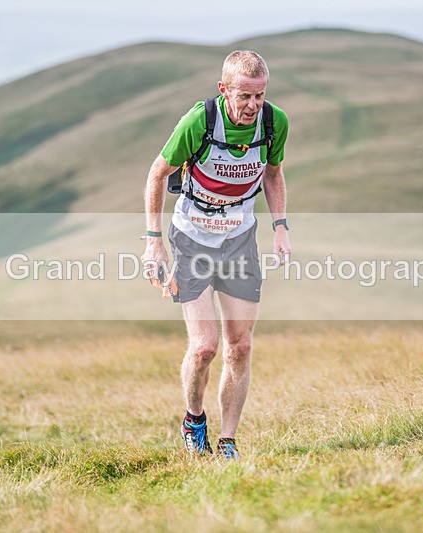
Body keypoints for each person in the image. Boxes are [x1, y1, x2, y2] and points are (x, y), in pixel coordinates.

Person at [142, 50, 290, 460]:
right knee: (204, 347)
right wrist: (153, 240)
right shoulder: (200, 121)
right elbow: (158, 173)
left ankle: (228, 442)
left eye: (259, 95)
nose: (252, 105)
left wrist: (280, 227)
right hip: (191, 239)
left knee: (240, 347)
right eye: (244, 96)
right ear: (224, 90)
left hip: (239, 240)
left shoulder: (275, 122)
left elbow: (273, 173)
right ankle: (194, 419)